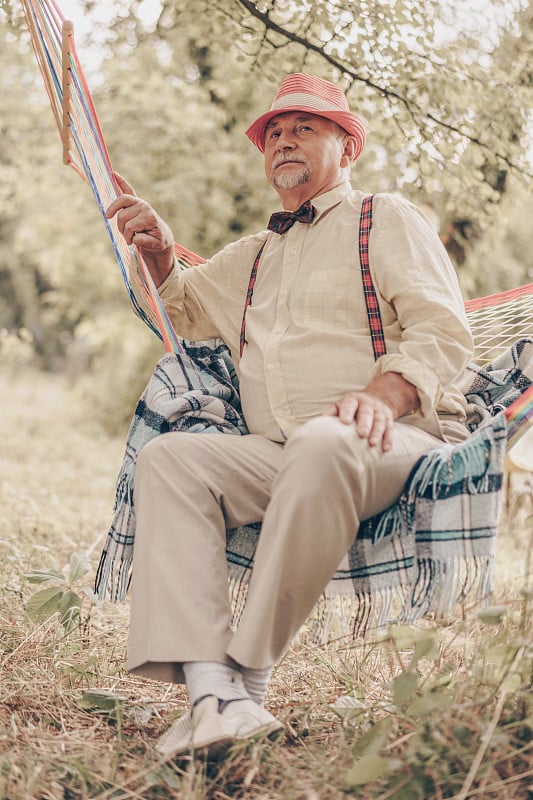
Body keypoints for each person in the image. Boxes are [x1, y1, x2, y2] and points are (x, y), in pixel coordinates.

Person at [105, 73, 473, 758]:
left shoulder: (385, 217)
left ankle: (246, 682)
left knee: (324, 443)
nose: (282, 140)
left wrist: (382, 394)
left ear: (347, 144)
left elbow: (443, 331)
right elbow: (178, 308)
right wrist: (156, 250)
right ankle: (211, 694)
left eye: (303, 126)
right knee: (170, 460)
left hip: (392, 436)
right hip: (284, 451)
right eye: (273, 132)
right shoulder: (253, 256)